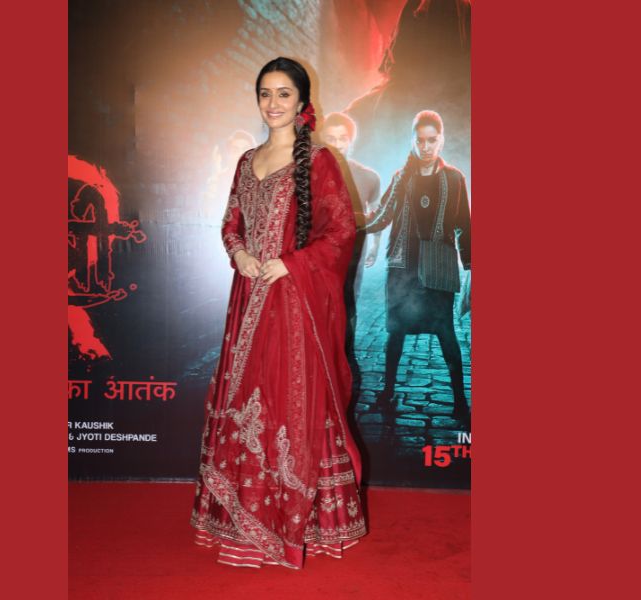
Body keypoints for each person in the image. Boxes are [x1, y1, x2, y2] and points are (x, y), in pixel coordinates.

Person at [190, 57, 367, 569]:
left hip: (293, 304)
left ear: (302, 102)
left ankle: (299, 523)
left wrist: (291, 264)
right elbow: (231, 223)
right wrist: (240, 253)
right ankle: (241, 518)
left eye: (283, 93)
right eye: (265, 93)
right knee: (244, 396)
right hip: (247, 301)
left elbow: (341, 231)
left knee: (290, 402)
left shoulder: (319, 161)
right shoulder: (247, 160)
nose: (273, 103)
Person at [364, 110, 471, 422]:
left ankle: (460, 402)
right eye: (421, 141)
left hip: (438, 268)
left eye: (431, 140)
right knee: (395, 333)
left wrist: (471, 267)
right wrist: (345, 220)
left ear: (441, 140)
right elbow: (382, 216)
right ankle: (387, 393)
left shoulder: (454, 178)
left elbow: (464, 225)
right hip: (403, 268)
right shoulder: (402, 177)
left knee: (446, 333)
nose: (426, 147)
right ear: (413, 141)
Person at [320, 112, 381, 362]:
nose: (337, 144)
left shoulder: (367, 177)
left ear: (351, 140)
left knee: (348, 301)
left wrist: (374, 246)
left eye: (342, 138)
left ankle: (344, 356)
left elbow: (376, 214)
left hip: (352, 252)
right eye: (331, 138)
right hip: (317, 252)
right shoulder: (308, 175)